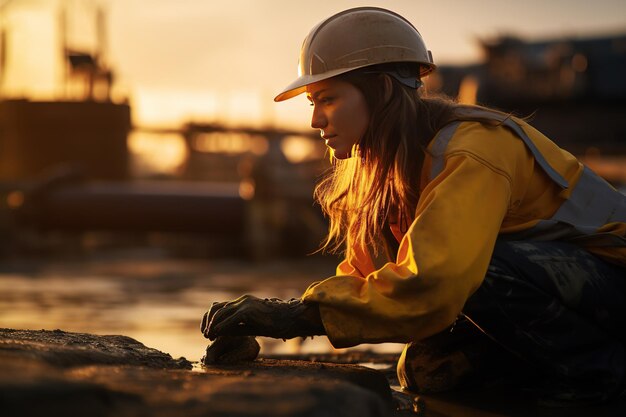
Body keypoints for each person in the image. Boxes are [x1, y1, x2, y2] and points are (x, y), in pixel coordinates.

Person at [201, 7, 626, 405]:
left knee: (486, 269)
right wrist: (272, 318)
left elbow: (438, 280)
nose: (315, 121)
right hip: (572, 295)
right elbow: (365, 275)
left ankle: (604, 380)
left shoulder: (473, 149)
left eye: (328, 99)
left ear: (381, 90)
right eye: (314, 104)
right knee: (427, 371)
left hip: (613, 279)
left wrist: (292, 317)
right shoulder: (393, 167)